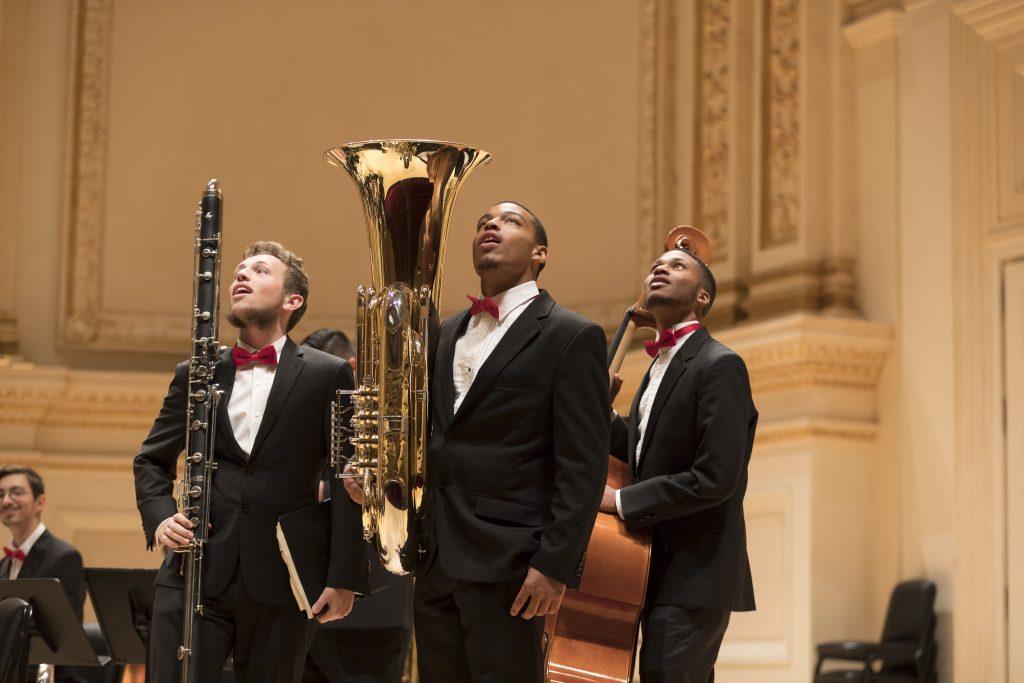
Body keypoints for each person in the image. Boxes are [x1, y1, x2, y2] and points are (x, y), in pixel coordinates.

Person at [346, 201, 609, 683]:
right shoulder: (446, 331)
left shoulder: (573, 336)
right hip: (435, 556)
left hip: (511, 563)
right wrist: (377, 471)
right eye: (484, 221)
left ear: (540, 253)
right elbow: (428, 436)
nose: (491, 225)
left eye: (511, 221)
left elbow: (583, 465)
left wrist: (554, 565)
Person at [134, 241, 368, 683]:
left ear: (291, 300)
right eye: (239, 271)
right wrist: (161, 518)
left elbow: (346, 480)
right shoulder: (195, 371)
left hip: (282, 578)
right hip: (196, 572)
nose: (240, 276)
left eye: (259, 271)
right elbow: (151, 460)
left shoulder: (328, 373)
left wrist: (343, 577)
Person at [603, 245, 757, 682]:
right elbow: (641, 447)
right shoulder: (657, 368)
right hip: (655, 569)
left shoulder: (720, 365)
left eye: (676, 266)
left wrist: (620, 501)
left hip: (694, 572)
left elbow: (715, 477)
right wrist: (602, 415)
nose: (659, 269)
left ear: (702, 297)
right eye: (656, 264)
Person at [299, 328, 413, 683]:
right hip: (305, 610)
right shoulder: (308, 427)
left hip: (374, 614)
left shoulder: (394, 429)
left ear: (350, 368)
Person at [0, 465, 85, 683]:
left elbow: (60, 639)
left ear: (40, 502)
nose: (6, 500)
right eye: (1, 495)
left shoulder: (64, 556)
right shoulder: (3, 565)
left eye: (16, 492)